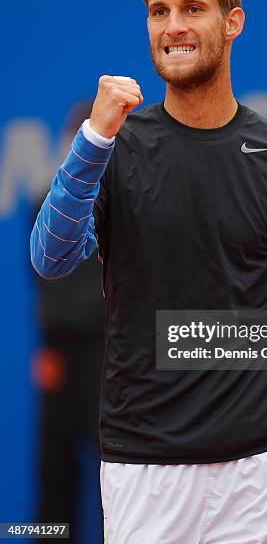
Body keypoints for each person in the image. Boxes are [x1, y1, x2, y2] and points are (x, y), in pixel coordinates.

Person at [31, 0, 267, 543]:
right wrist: (91, 140)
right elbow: (51, 258)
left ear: (232, 22)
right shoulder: (111, 149)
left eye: (192, 9)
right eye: (159, 12)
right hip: (142, 472)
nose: (174, 26)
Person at [31, 101, 104, 543]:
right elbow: (42, 282)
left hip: (110, 359)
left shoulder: (123, 206)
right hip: (58, 358)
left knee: (113, 475)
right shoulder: (45, 203)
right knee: (53, 472)